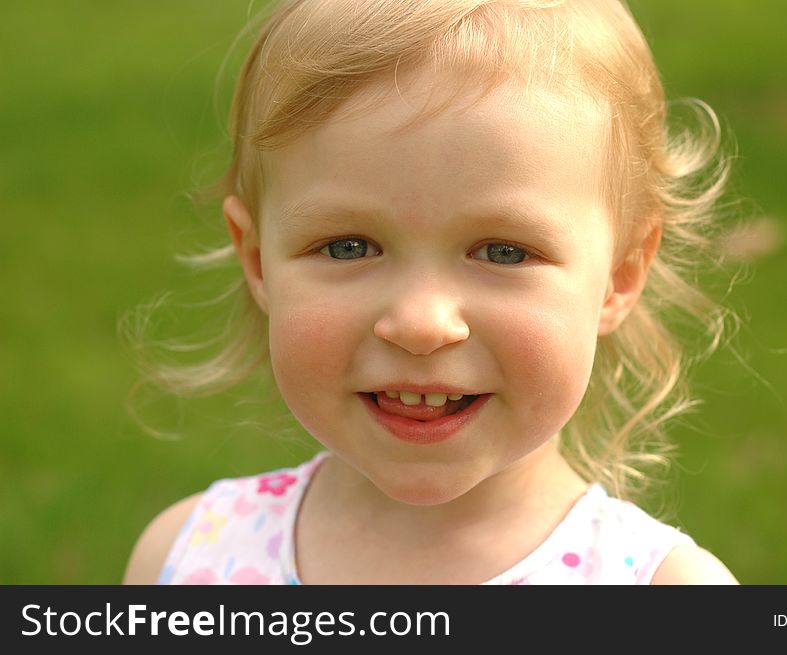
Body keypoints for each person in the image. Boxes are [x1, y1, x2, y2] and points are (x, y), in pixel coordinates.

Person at [124, 0, 739, 585]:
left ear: (619, 276)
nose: (421, 323)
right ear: (258, 261)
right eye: (348, 246)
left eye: (504, 252)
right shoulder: (187, 560)